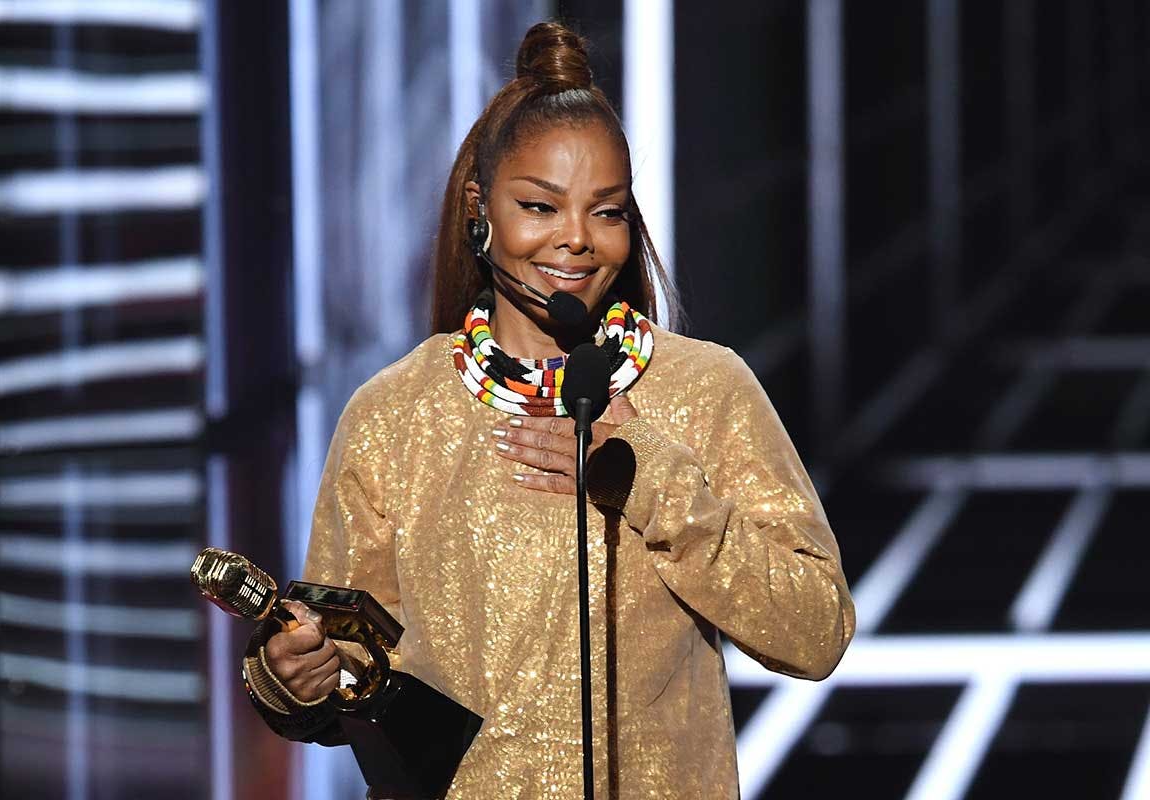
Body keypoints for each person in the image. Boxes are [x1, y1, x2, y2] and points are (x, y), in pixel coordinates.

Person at [242, 21, 855, 799]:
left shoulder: (705, 390)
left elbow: (816, 629)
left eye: (607, 212)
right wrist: (297, 676)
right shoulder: (395, 414)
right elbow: (358, 662)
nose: (575, 240)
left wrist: (647, 479)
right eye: (540, 206)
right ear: (480, 207)